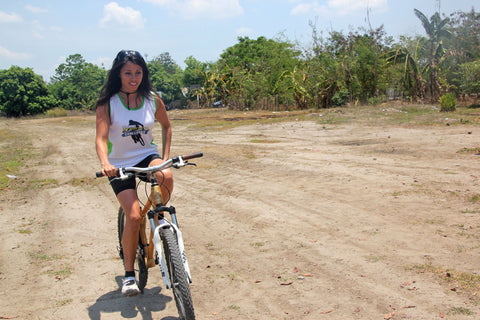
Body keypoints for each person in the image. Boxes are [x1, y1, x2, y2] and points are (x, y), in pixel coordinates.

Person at [95, 50, 173, 297]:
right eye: (128, 72)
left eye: (138, 72)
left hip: (145, 155)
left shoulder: (152, 99)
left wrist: (165, 158)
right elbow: (101, 138)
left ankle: (160, 223)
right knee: (133, 215)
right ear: (118, 73)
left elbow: (166, 126)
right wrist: (106, 162)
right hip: (118, 163)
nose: (134, 78)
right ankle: (129, 274)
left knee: (166, 177)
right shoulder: (108, 103)